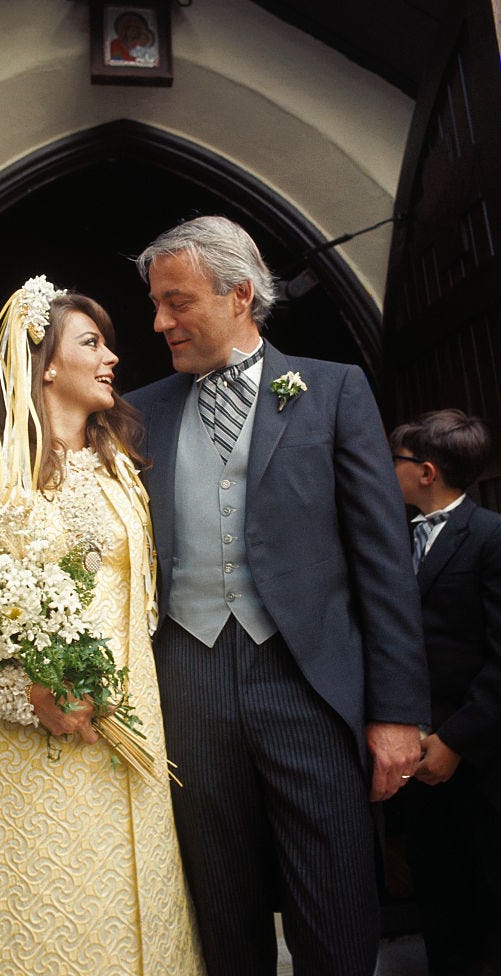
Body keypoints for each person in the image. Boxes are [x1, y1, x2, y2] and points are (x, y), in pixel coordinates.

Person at [126, 215, 430, 976]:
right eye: (156, 304)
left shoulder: (331, 391)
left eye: (177, 301)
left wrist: (395, 711)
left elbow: (382, 561)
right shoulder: (137, 412)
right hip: (183, 680)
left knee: (332, 896)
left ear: (239, 294)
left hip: (308, 682)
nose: (160, 321)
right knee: (217, 901)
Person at [0, 281, 204, 976]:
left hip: (132, 737)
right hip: (31, 756)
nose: (111, 357)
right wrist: (28, 698)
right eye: (91, 343)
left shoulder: (123, 476)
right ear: (44, 364)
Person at [389, 409, 501, 976]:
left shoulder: (490, 537)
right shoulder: (393, 537)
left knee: (487, 888)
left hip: (477, 755)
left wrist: (455, 741)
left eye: (399, 462)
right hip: (415, 745)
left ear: (426, 471)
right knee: (438, 891)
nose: (391, 470)